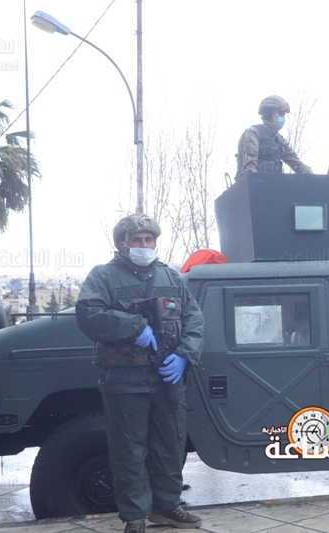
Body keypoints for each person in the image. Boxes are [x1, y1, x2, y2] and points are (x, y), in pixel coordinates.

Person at [76, 214, 204, 533]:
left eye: (149, 239)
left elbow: (194, 319)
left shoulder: (170, 277)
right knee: (129, 451)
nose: (144, 245)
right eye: (137, 240)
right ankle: (134, 517)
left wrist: (185, 356)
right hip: (125, 382)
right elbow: (88, 314)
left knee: (171, 446)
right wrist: (135, 327)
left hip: (167, 379)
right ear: (123, 243)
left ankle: (167, 506)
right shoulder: (104, 276)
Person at [235, 94, 313, 179]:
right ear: (270, 114)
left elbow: (297, 164)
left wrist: (314, 178)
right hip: (252, 185)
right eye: (280, 113)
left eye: (284, 114)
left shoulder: (280, 140)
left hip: (273, 185)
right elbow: (249, 169)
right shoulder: (253, 133)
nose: (283, 117)